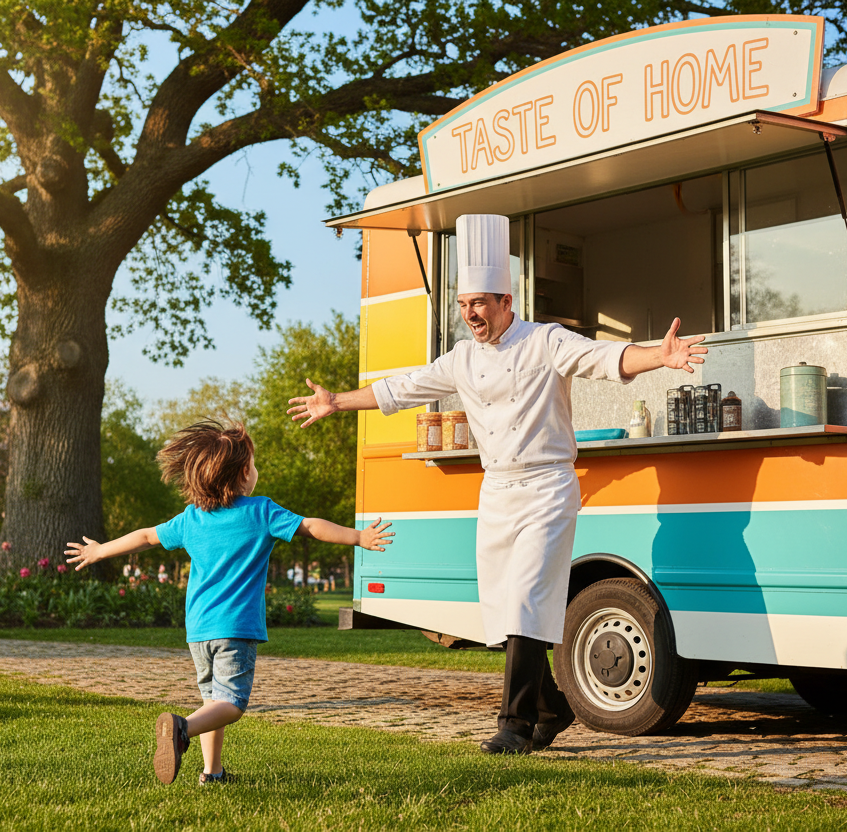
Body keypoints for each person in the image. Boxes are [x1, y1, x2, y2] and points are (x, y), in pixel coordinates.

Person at [287, 214, 706, 755]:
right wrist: (337, 401)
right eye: (464, 306)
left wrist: (660, 356)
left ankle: (512, 725)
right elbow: (403, 388)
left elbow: (605, 359)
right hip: (498, 491)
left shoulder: (545, 342)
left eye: (480, 303)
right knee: (506, 609)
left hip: (548, 486)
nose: (471, 315)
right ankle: (551, 709)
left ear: (507, 301)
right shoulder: (461, 359)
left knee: (528, 598)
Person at [65, 420, 394, 784]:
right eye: (253, 464)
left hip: (198, 630)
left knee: (213, 702)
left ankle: (212, 773)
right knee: (232, 705)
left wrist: (99, 551)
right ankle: (181, 729)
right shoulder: (261, 512)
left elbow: (145, 536)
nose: (256, 471)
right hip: (235, 628)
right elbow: (311, 526)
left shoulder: (192, 518)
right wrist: (358, 537)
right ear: (241, 474)